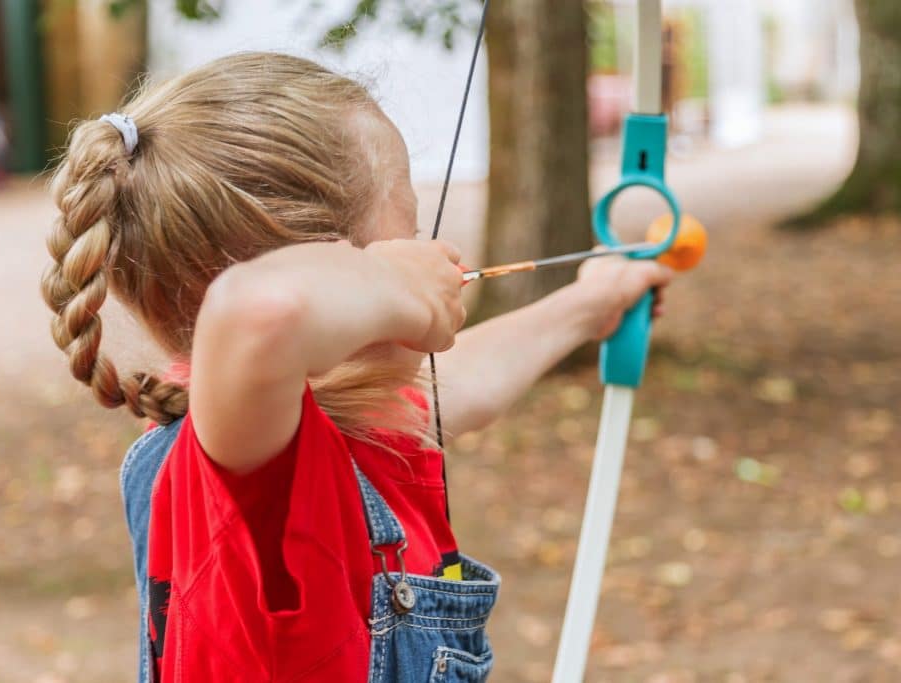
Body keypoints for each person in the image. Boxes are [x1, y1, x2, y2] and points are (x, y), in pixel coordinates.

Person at [42, 52, 673, 683]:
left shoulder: (335, 421)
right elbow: (258, 313)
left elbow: (461, 385)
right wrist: (397, 288)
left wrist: (593, 305)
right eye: (410, 233)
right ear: (327, 269)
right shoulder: (255, 475)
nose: (432, 254)